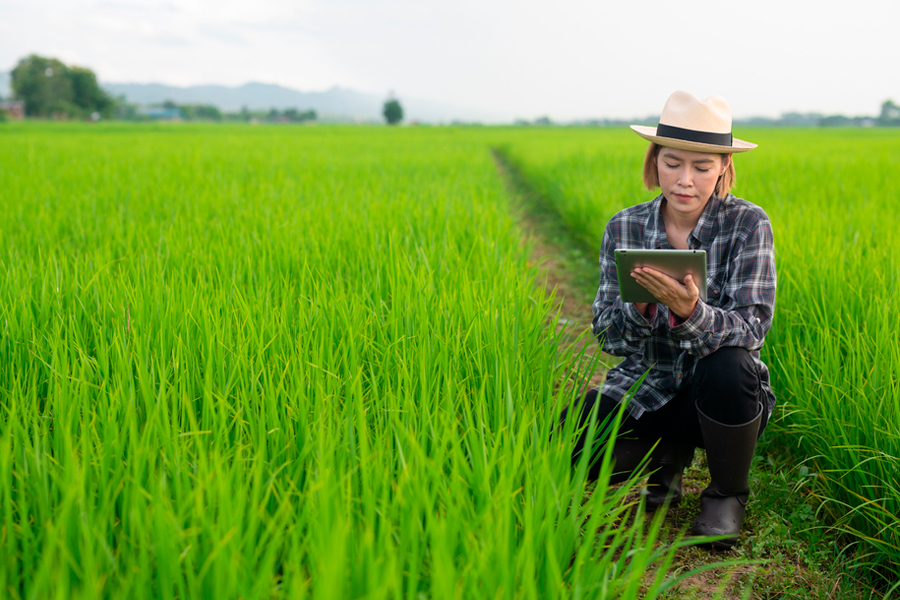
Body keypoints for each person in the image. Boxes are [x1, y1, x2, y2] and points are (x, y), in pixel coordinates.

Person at [563, 90, 777, 550]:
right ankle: (665, 457)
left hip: (719, 399)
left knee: (730, 363)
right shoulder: (625, 227)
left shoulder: (747, 224)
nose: (685, 180)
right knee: (563, 447)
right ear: (654, 160)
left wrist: (690, 312)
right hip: (645, 385)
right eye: (672, 163)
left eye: (702, 168)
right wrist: (639, 307)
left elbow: (753, 327)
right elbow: (607, 334)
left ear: (723, 167)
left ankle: (726, 495)